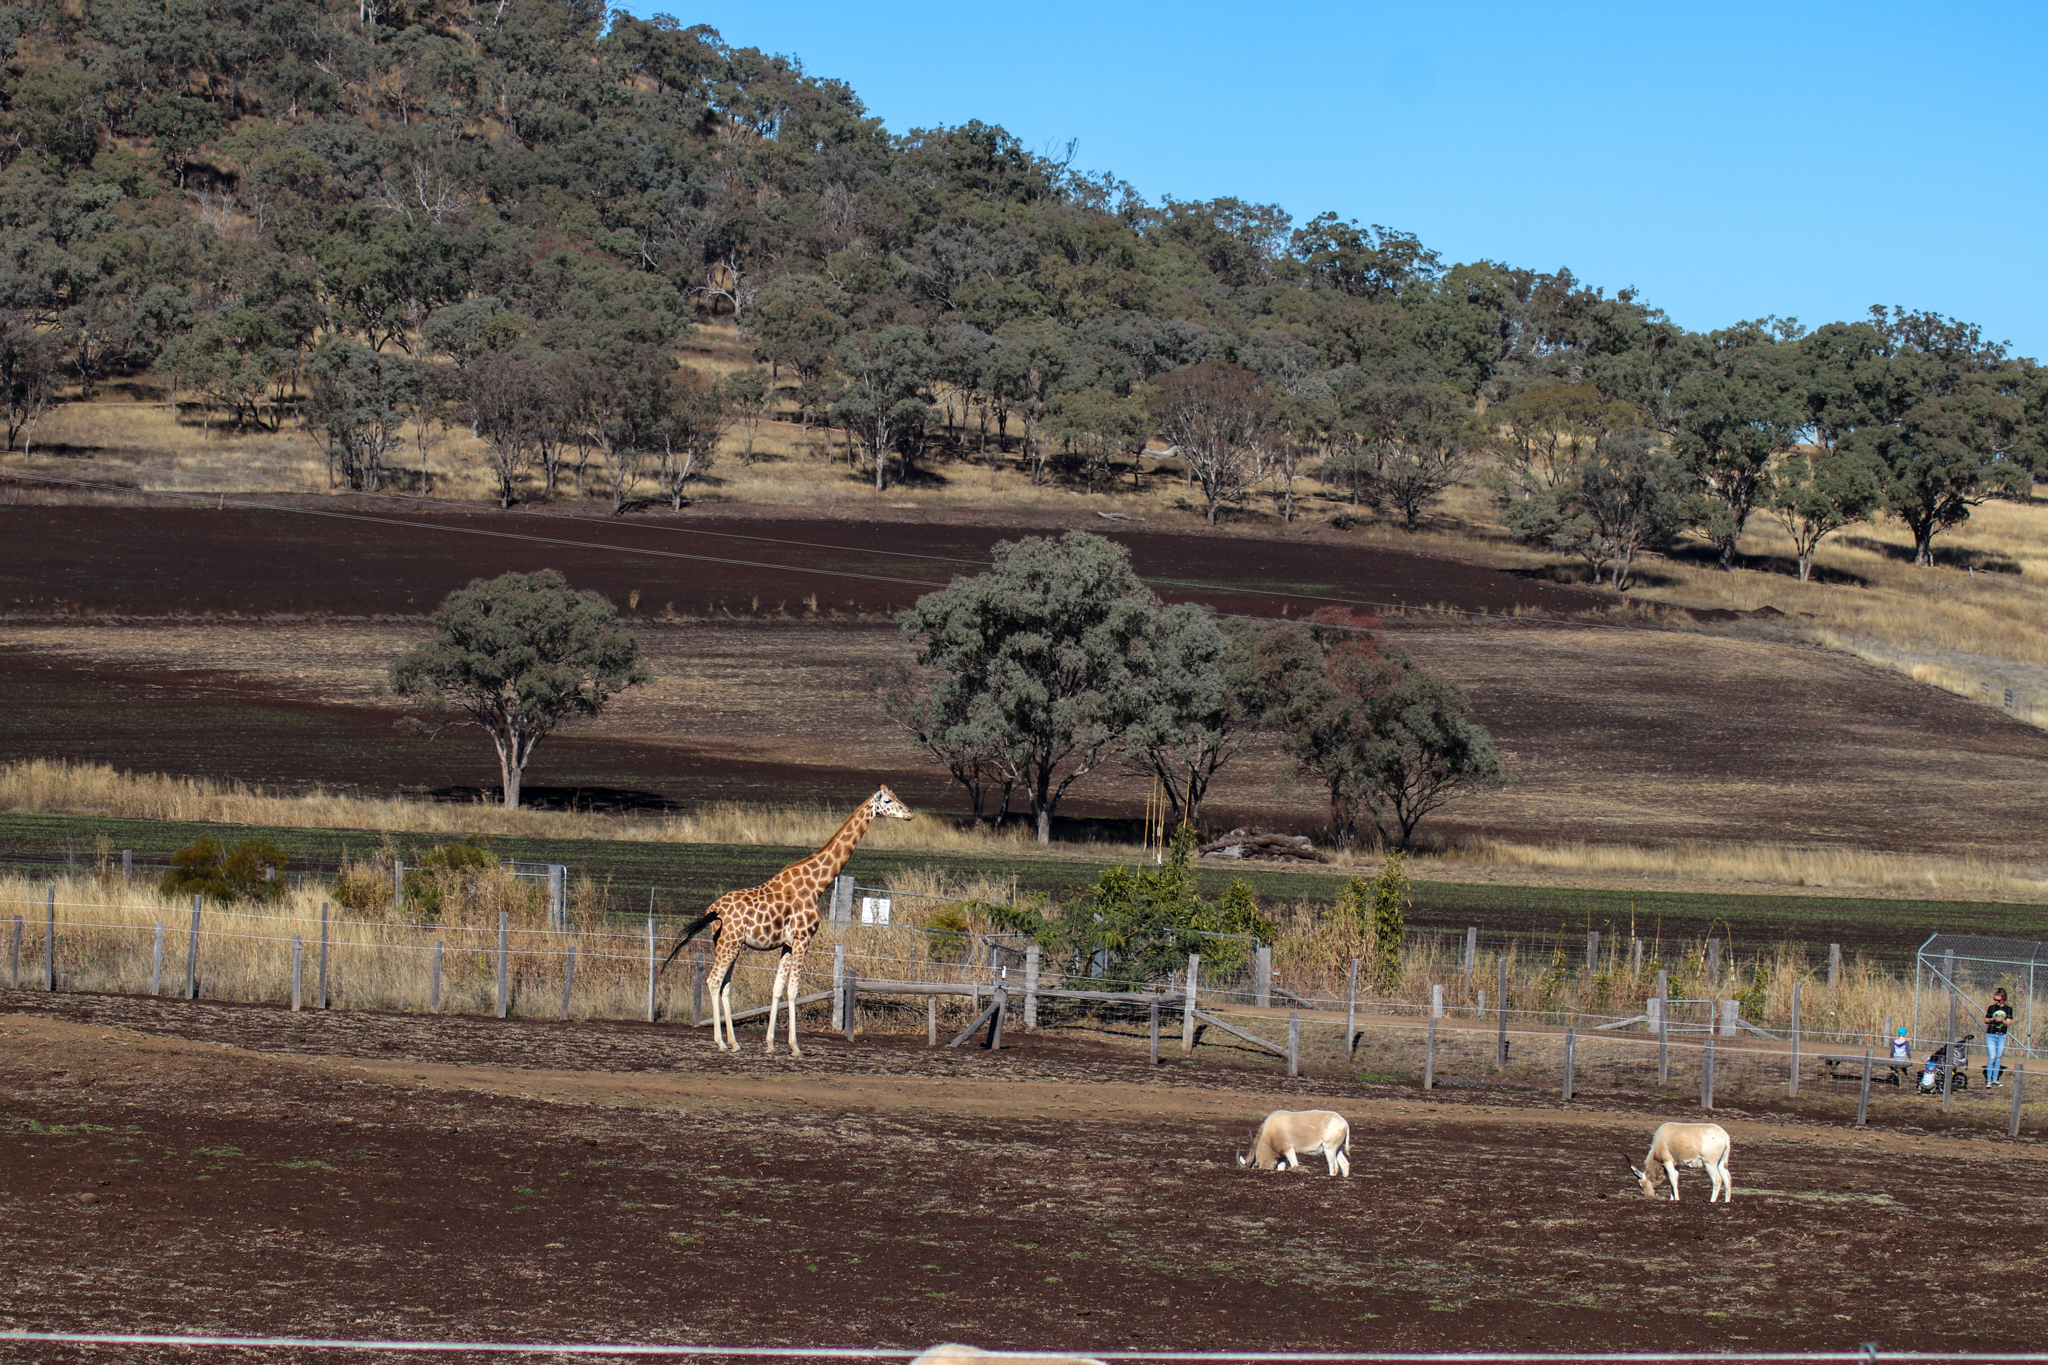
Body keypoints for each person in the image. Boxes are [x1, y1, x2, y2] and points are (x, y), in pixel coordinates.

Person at [1984, 988, 2015, 1086]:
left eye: (1998, 1000)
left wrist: (2002, 1020)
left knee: (1998, 1057)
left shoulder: (2008, 1009)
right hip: (1991, 1035)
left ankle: (1995, 1079)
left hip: (2001, 1036)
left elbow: (2008, 1023)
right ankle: (1988, 1080)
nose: (1996, 1002)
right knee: (1992, 1057)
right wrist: (1993, 1019)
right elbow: (1986, 1020)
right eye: (1995, 1000)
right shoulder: (1991, 1008)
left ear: (2003, 999)